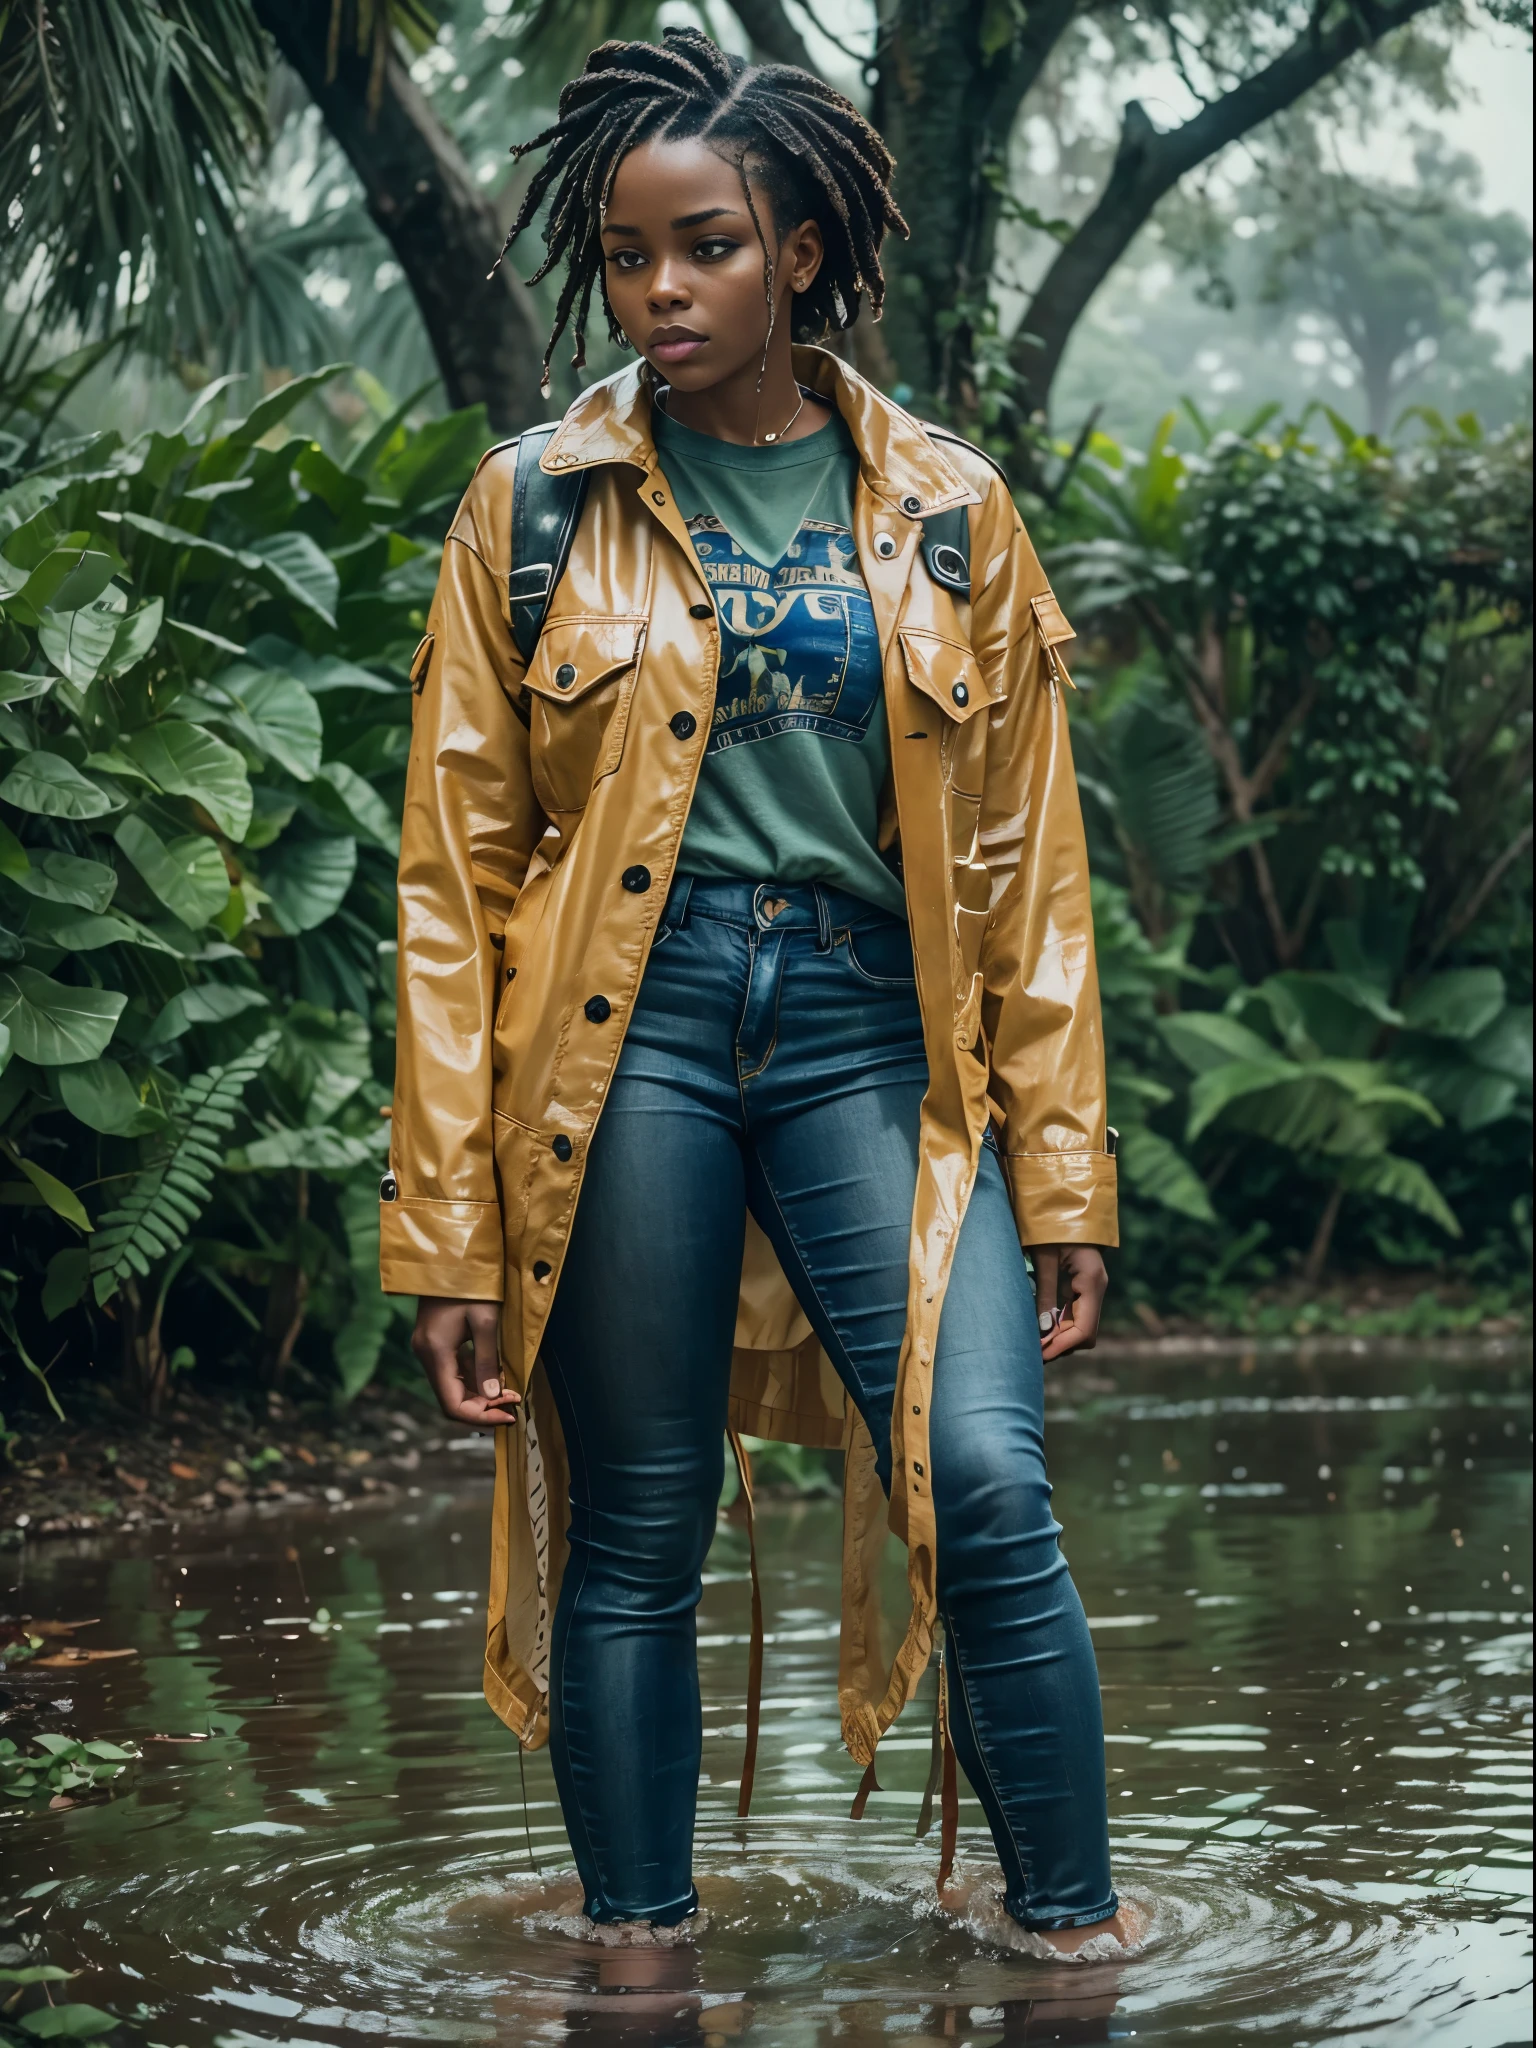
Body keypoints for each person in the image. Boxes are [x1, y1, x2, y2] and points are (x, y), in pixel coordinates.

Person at [382, 26, 1139, 1957]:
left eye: (704, 246)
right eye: (631, 257)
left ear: (800, 249)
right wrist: (447, 1226)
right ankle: (638, 1963)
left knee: (981, 1476)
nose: (660, 293)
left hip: (879, 1036)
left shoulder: (952, 515)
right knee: (635, 1523)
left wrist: (1062, 1176)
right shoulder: (532, 505)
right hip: (620, 1043)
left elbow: (1030, 875)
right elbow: (453, 885)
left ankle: (1076, 1952)